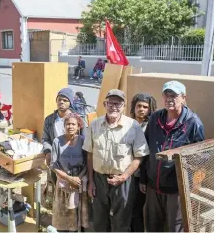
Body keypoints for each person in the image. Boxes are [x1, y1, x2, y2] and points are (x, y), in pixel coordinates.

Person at [140, 81, 205, 232]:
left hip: (176, 190)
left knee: (175, 228)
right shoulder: (155, 118)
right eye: (166, 95)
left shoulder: (193, 122)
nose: (169, 99)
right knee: (152, 226)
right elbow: (145, 150)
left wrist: (194, 188)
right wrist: (143, 178)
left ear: (183, 98)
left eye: (174, 95)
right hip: (152, 186)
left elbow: (201, 157)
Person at [83, 89, 149, 232]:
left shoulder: (133, 126)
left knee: (121, 221)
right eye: (111, 103)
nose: (114, 107)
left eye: (118, 104)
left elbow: (140, 156)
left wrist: (124, 176)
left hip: (123, 181)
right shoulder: (94, 124)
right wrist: (91, 181)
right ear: (104, 104)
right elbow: (89, 154)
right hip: (99, 179)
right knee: (100, 220)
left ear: (124, 106)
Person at [51, 113, 89, 232]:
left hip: (79, 184)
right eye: (68, 124)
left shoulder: (83, 141)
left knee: (78, 216)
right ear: (64, 125)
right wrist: (68, 179)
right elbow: (53, 165)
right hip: (63, 184)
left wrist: (78, 178)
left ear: (78, 126)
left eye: (73, 124)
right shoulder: (57, 141)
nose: (70, 126)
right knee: (63, 217)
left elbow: (88, 162)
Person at [129, 93, 157, 232]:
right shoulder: (127, 123)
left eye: (145, 107)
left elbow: (148, 154)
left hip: (141, 175)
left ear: (150, 109)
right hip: (125, 173)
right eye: (138, 106)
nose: (141, 109)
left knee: (137, 210)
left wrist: (144, 179)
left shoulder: (151, 126)